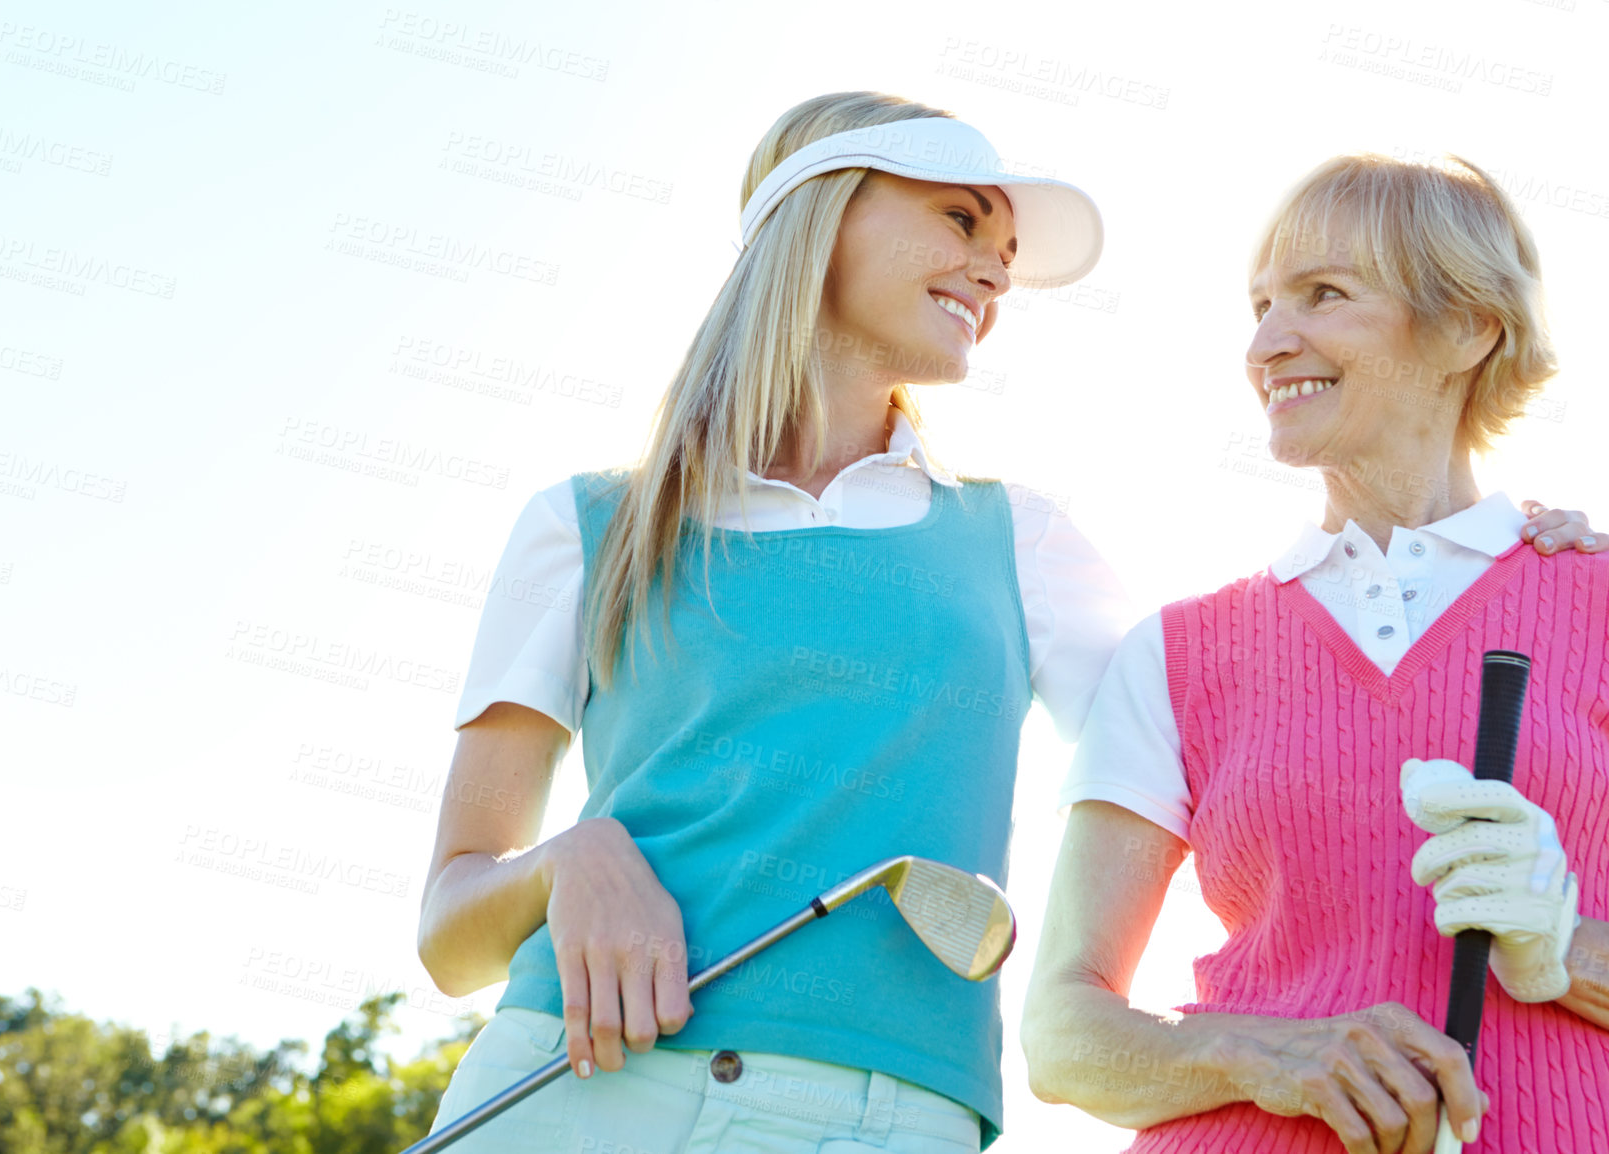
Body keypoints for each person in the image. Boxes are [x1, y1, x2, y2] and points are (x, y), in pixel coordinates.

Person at [413, 91, 1135, 1153]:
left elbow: (1204, 765)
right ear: (822, 211)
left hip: (884, 1115)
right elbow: (449, 937)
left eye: (1009, 252)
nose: (994, 272)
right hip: (575, 1086)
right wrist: (572, 857)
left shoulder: (1021, 541)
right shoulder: (585, 525)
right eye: (962, 219)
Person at [1021, 152, 1609, 1154]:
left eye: (1322, 294)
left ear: (1468, 327)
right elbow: (1061, 1032)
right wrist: (1266, 1054)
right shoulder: (1175, 652)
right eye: (1259, 304)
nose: (1265, 341)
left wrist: (1566, 944)